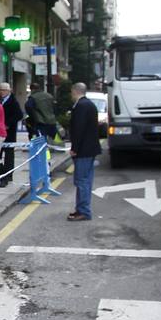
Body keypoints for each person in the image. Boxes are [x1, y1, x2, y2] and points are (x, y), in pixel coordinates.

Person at [67, 82, 101, 221]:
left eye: (71, 92)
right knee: (86, 180)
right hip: (90, 149)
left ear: (75, 91)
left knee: (82, 181)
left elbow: (79, 129)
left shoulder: (80, 106)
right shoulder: (89, 104)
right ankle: (81, 209)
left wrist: (75, 148)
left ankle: (83, 211)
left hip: (83, 150)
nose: (71, 95)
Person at [0, 82, 24, 187]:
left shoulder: (13, 101)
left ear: (9, 91)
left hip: (9, 132)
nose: (1, 92)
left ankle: (8, 175)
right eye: (0, 90)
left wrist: (8, 124)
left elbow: (19, 115)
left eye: (3, 90)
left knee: (8, 154)